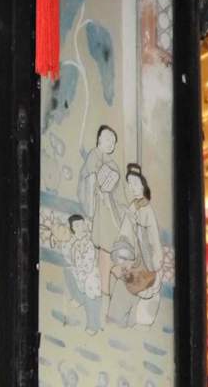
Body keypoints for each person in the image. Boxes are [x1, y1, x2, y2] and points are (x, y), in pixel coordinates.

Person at [106, 164, 164, 329]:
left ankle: (131, 320)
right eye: (130, 184)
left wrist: (156, 261)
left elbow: (154, 240)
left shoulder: (147, 210)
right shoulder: (132, 207)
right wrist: (123, 252)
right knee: (122, 290)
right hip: (132, 259)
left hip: (146, 262)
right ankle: (118, 321)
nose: (133, 188)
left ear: (143, 185)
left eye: (136, 184)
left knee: (140, 291)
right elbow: (125, 233)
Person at [77, 125, 126, 297]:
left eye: (113, 141)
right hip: (100, 211)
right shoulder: (94, 156)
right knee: (104, 249)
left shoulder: (112, 164)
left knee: (108, 250)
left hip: (110, 211)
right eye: (107, 139)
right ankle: (105, 288)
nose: (111, 143)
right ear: (99, 139)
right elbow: (87, 180)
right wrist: (95, 184)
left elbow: (118, 191)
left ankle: (113, 280)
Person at [61, 214, 102, 335]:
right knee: (67, 271)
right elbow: (68, 256)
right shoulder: (73, 241)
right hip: (79, 272)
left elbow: (89, 264)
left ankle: (93, 325)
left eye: (82, 224)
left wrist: (82, 276)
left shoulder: (89, 242)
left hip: (90, 275)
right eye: (77, 225)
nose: (81, 227)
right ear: (72, 228)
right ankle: (79, 298)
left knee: (91, 296)